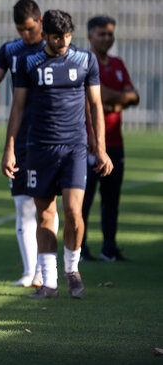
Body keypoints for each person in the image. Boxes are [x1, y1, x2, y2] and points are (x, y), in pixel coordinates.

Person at [2, 9, 113, 299]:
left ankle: (72, 271)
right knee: (44, 215)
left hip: (74, 148)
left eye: (66, 37)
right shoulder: (30, 63)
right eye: (56, 38)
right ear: (45, 35)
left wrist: (99, 147)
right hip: (39, 148)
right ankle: (49, 282)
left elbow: (96, 105)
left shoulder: (85, 60)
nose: (62, 42)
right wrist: (10, 148)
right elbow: (18, 108)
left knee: (74, 212)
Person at [0, 0, 59, 287]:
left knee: (45, 205)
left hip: (49, 138)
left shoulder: (55, 49)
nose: (26, 36)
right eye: (20, 30)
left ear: (40, 21)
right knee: (22, 205)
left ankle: (48, 270)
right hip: (21, 139)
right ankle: (30, 271)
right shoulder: (11, 50)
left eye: (30, 29)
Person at [81, 15, 139, 262]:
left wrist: (111, 101)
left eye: (110, 34)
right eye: (102, 34)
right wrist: (117, 100)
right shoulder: (84, 62)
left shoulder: (117, 63)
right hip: (89, 144)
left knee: (112, 199)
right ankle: (80, 250)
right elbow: (98, 95)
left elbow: (134, 96)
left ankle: (109, 249)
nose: (107, 38)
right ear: (90, 36)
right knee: (84, 201)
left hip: (116, 143)